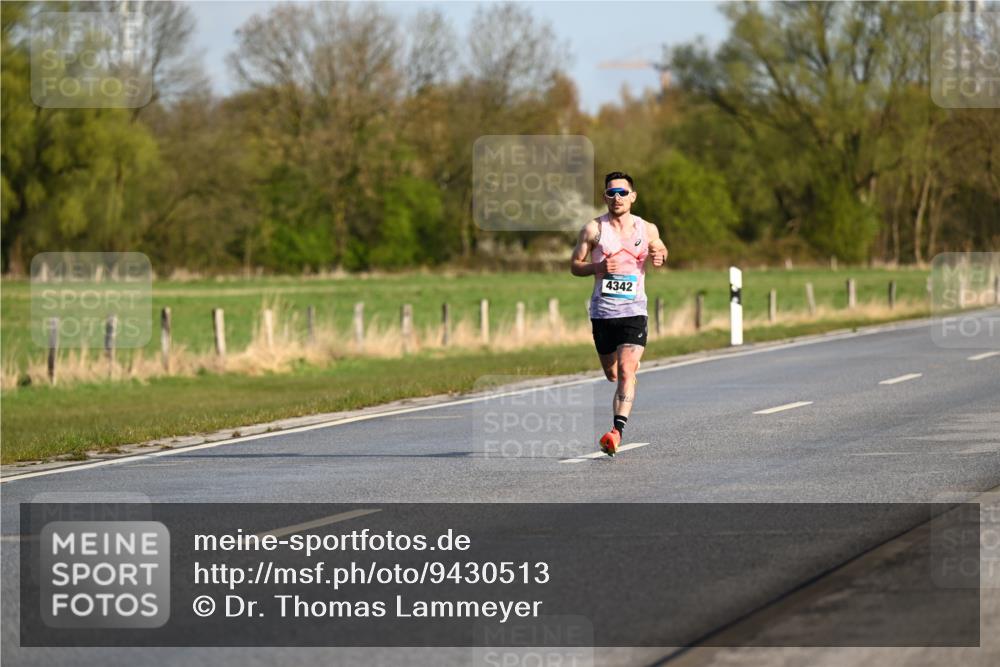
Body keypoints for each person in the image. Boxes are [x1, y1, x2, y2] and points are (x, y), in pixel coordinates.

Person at [570, 171, 667, 456]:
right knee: (612, 373)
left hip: (634, 311)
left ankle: (616, 432)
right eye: (611, 193)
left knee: (626, 370)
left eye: (622, 193)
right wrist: (597, 268)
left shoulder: (646, 229)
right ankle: (623, 375)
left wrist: (661, 255)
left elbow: (660, 248)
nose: (617, 198)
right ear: (604, 197)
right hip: (603, 313)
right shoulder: (593, 230)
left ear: (633, 197)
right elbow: (575, 265)